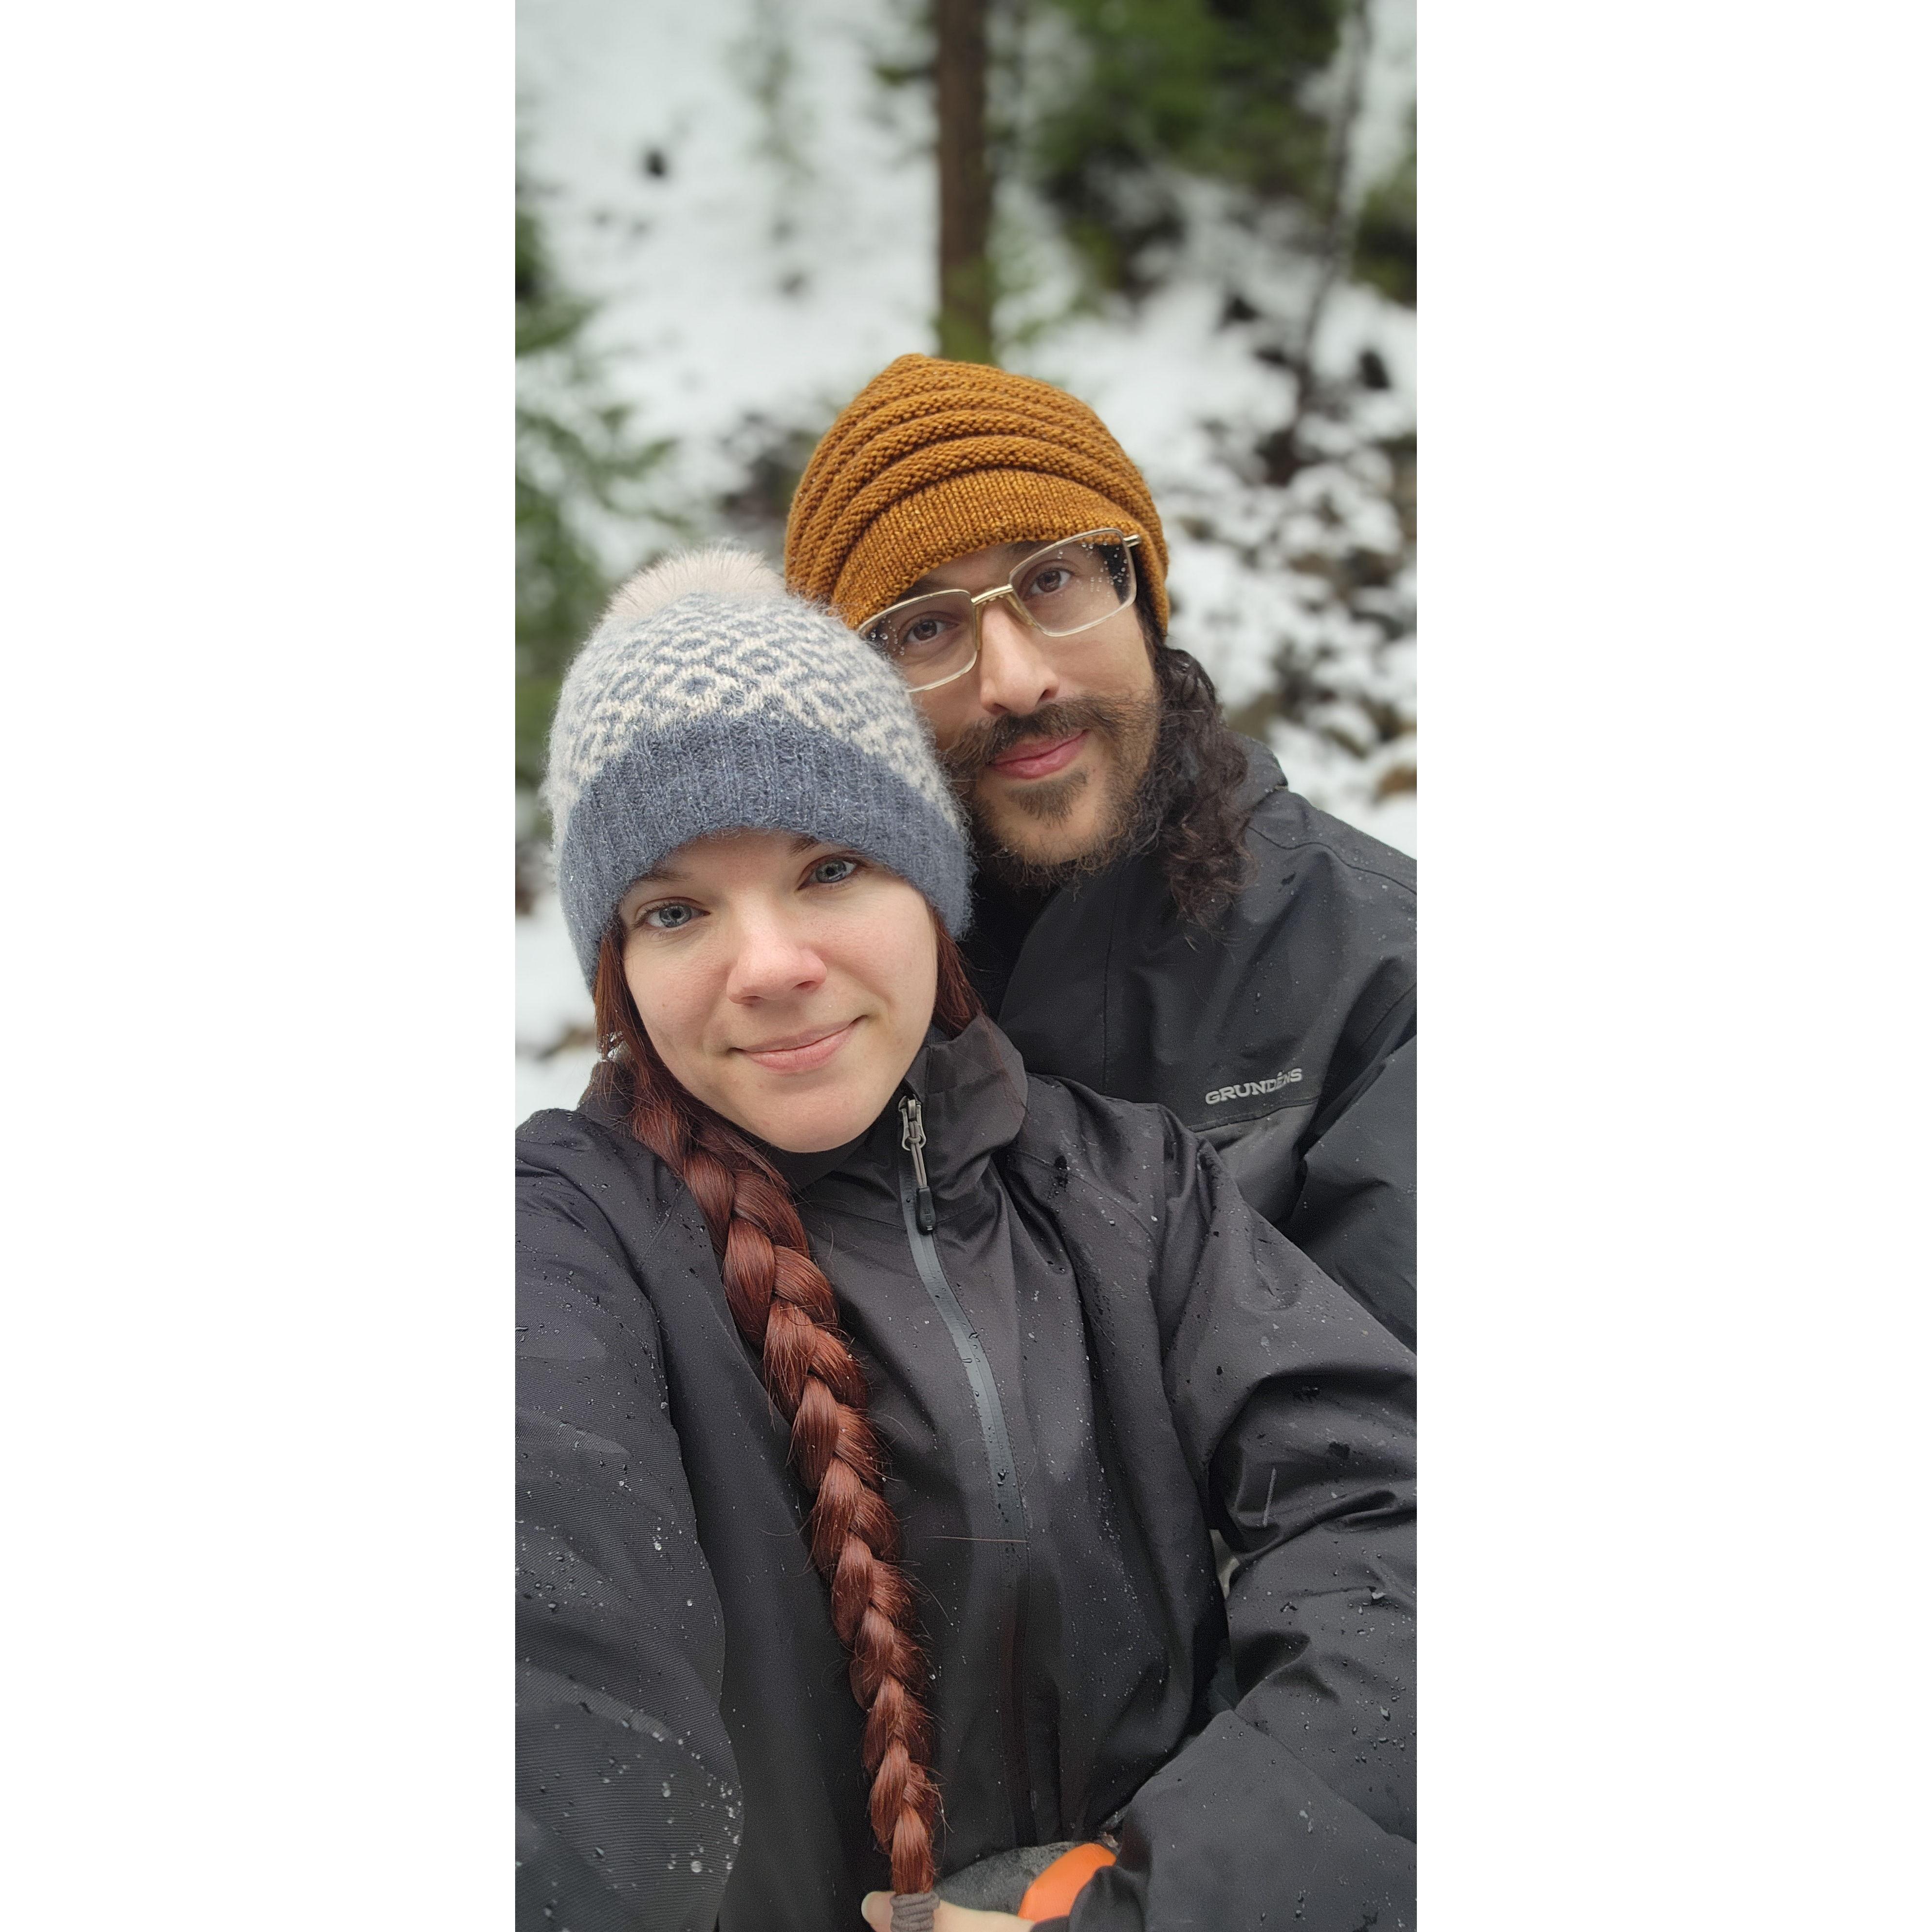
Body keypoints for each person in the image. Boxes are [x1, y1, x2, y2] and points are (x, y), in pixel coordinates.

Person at [518, 549, 1415, 1931]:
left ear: (935, 897)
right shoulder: (566, 1246)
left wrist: (1142, 1906)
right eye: (677, 908)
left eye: (829, 866)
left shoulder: (1137, 1191)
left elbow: (1398, 1530)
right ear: (617, 969)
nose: (766, 965)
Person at [784, 357, 1417, 1349]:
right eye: (924, 628)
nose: (1016, 677)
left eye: (1053, 578)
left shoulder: (1383, 974)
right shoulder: (790, 999)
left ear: (1142, 597)